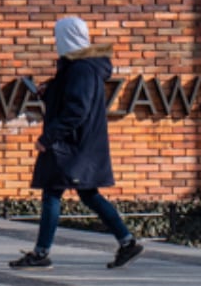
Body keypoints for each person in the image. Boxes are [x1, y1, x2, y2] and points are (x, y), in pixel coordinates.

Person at [11, 17, 143, 272]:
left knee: (52, 191)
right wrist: (49, 90)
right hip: (81, 145)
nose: (55, 41)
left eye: (57, 36)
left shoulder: (81, 68)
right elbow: (72, 98)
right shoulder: (80, 66)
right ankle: (127, 242)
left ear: (67, 37)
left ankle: (41, 253)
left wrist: (47, 139)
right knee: (87, 194)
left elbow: (76, 110)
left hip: (72, 146)